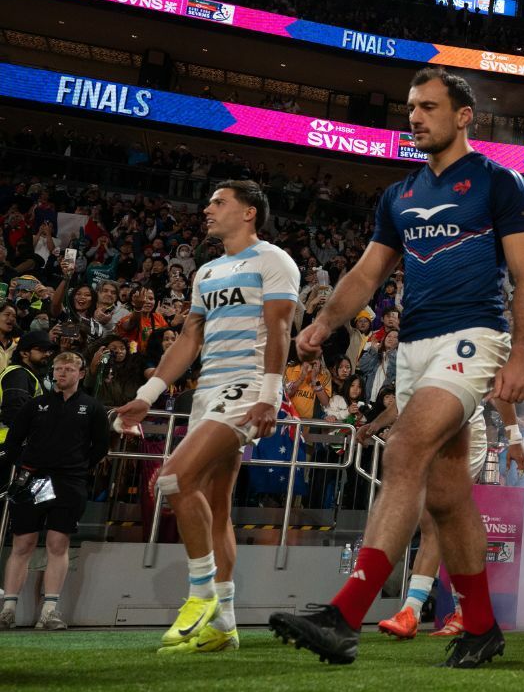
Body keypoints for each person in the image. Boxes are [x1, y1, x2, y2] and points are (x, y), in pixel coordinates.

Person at [269, 66, 524, 668]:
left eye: (428, 106)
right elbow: (368, 274)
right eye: (410, 108)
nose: (414, 117)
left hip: (474, 336)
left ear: (464, 115)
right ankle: (480, 627)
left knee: (403, 449)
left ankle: (345, 615)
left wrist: (521, 354)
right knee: (447, 493)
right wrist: (322, 324)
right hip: (413, 348)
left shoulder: (500, 182)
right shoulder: (399, 195)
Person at [115, 181, 299, 654]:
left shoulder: (273, 260)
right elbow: (188, 341)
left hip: (247, 389)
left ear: (249, 213)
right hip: (207, 392)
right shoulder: (206, 272)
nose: (207, 209)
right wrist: (149, 393)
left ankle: (199, 595)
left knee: (173, 479)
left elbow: (280, 327)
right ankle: (225, 623)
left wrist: (271, 394)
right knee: (216, 508)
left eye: (219, 202)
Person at [377, 399, 524, 640]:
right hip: (433, 434)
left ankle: (411, 611)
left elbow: (500, 391)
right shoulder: (414, 363)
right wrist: (375, 426)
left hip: (466, 435)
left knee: (433, 521)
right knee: (446, 525)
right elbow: (406, 397)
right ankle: (462, 611)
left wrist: (515, 439)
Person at [0, 352, 109, 629]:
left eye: (69, 369)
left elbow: (100, 448)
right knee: (22, 543)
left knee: (58, 545)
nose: (62, 374)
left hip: (70, 482)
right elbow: (13, 441)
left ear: (81, 373)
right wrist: (26, 466)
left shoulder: (92, 407)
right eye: (58, 369)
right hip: (33, 479)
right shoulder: (35, 405)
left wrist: (76, 467)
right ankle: (8, 610)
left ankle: (49, 611)